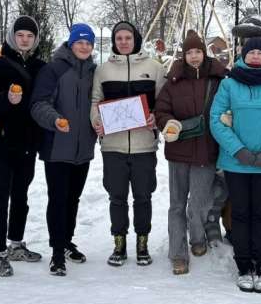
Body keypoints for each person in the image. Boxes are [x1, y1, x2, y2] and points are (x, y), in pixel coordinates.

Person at [209, 37, 261, 293]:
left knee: (260, 215)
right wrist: (239, 151)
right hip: (237, 163)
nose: (256, 55)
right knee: (241, 214)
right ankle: (243, 266)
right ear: (243, 55)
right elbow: (217, 120)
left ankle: (260, 265)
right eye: (251, 52)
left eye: (260, 52)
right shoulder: (229, 85)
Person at [91, 21, 166, 267]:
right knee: (117, 197)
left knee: (143, 197)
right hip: (113, 146)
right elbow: (95, 101)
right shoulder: (103, 70)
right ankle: (119, 243)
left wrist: (155, 117)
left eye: (128, 38)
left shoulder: (154, 68)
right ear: (114, 40)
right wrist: (97, 121)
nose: (123, 42)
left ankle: (142, 244)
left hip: (144, 145)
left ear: (136, 39)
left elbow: (163, 103)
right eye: (119, 38)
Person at [154, 30, 227, 275]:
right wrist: (168, 123)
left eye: (197, 51)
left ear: (204, 53)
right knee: (177, 205)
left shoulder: (218, 80)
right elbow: (161, 111)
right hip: (179, 151)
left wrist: (229, 118)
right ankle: (178, 254)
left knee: (199, 203)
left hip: (207, 151)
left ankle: (197, 237)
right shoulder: (173, 81)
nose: (194, 56)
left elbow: (228, 106)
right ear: (183, 55)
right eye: (189, 52)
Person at [30, 23, 98, 276]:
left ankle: (67, 241)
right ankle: (57, 252)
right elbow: (38, 104)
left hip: (83, 149)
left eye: (88, 43)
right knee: (58, 199)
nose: (84, 46)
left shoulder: (94, 72)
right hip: (58, 147)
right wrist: (55, 120)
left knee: (73, 198)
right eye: (80, 42)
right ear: (70, 43)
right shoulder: (54, 69)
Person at [0, 15, 46, 277]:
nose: (24, 39)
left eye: (29, 36)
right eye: (20, 35)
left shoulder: (41, 67)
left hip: (28, 143)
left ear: (35, 40)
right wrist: (6, 99)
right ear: (12, 36)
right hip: (1, 142)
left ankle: (16, 243)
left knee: (21, 195)